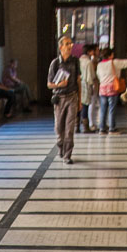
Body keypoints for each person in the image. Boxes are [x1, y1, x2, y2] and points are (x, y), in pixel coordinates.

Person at [48, 35, 81, 164]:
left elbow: (78, 81)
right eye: (67, 44)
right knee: (59, 127)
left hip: (72, 96)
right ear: (61, 47)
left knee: (69, 128)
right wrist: (59, 85)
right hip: (59, 98)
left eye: (71, 43)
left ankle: (67, 154)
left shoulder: (75, 61)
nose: (70, 46)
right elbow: (49, 84)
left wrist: (79, 100)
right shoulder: (55, 63)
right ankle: (61, 146)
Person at [96, 47, 127, 133]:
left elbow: (98, 75)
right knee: (112, 109)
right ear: (111, 55)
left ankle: (102, 128)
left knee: (103, 109)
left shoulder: (99, 65)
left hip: (102, 89)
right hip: (112, 88)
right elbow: (126, 63)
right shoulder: (114, 62)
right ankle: (112, 128)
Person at [79, 44, 99, 132]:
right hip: (86, 84)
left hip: (79, 84)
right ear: (89, 52)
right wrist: (93, 86)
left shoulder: (79, 60)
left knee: (80, 105)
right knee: (86, 105)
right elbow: (91, 76)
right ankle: (86, 127)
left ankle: (77, 126)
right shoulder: (88, 62)